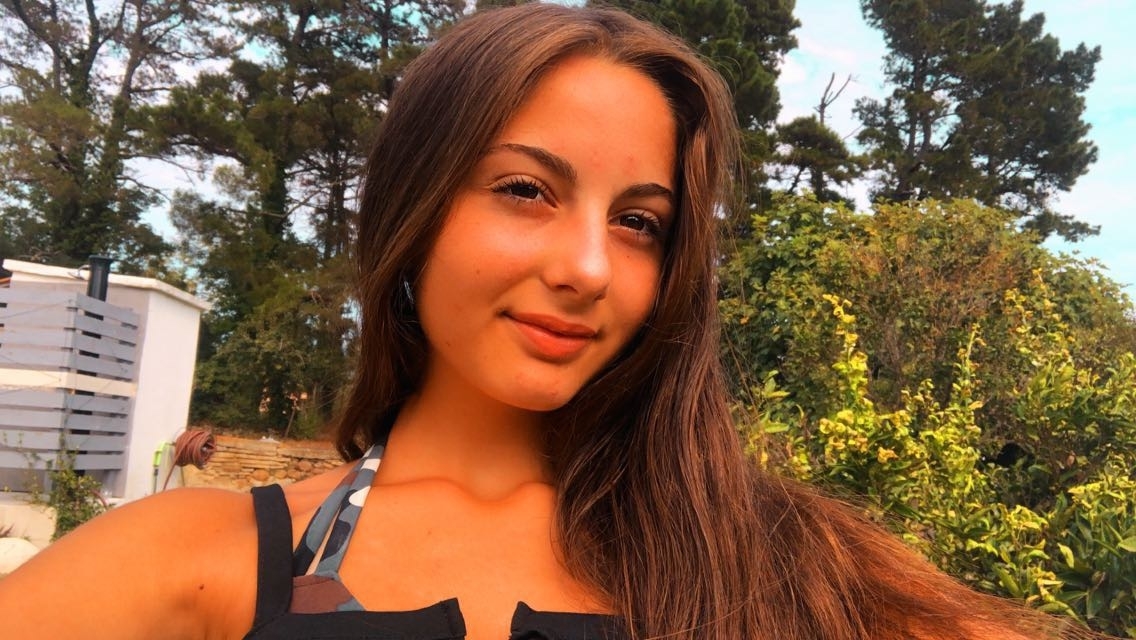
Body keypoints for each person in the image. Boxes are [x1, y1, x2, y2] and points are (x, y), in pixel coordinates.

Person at [0, 4, 1088, 639]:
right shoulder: (203, 558)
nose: (586, 267)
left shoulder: (774, 559)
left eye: (640, 223)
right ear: (415, 210)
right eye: (525, 190)